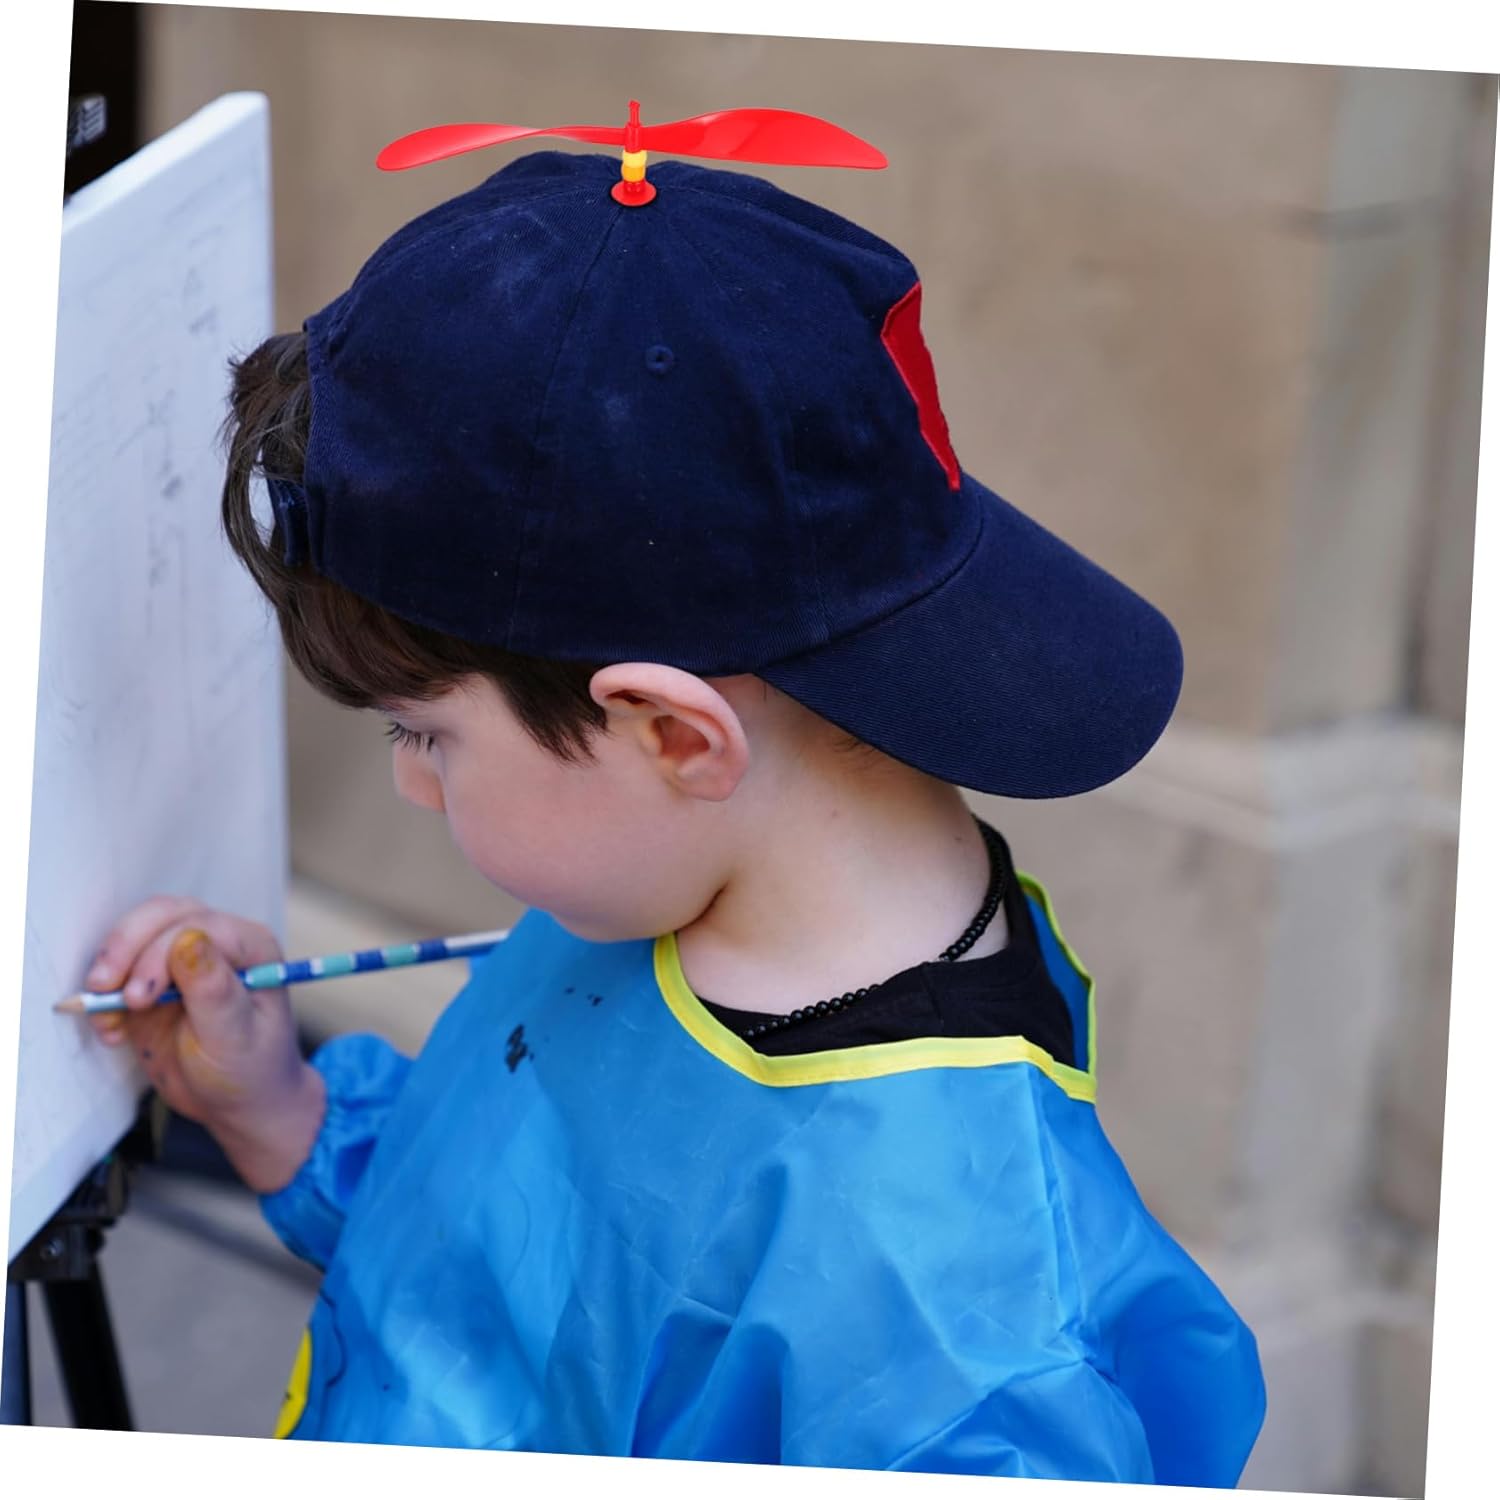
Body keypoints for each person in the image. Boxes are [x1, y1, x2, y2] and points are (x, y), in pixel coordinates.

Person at [85, 146, 1265, 1480]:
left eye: (423, 733)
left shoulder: (958, 1352)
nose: (413, 783)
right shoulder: (670, 880)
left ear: (672, 733)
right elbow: (517, 1280)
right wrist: (288, 1115)